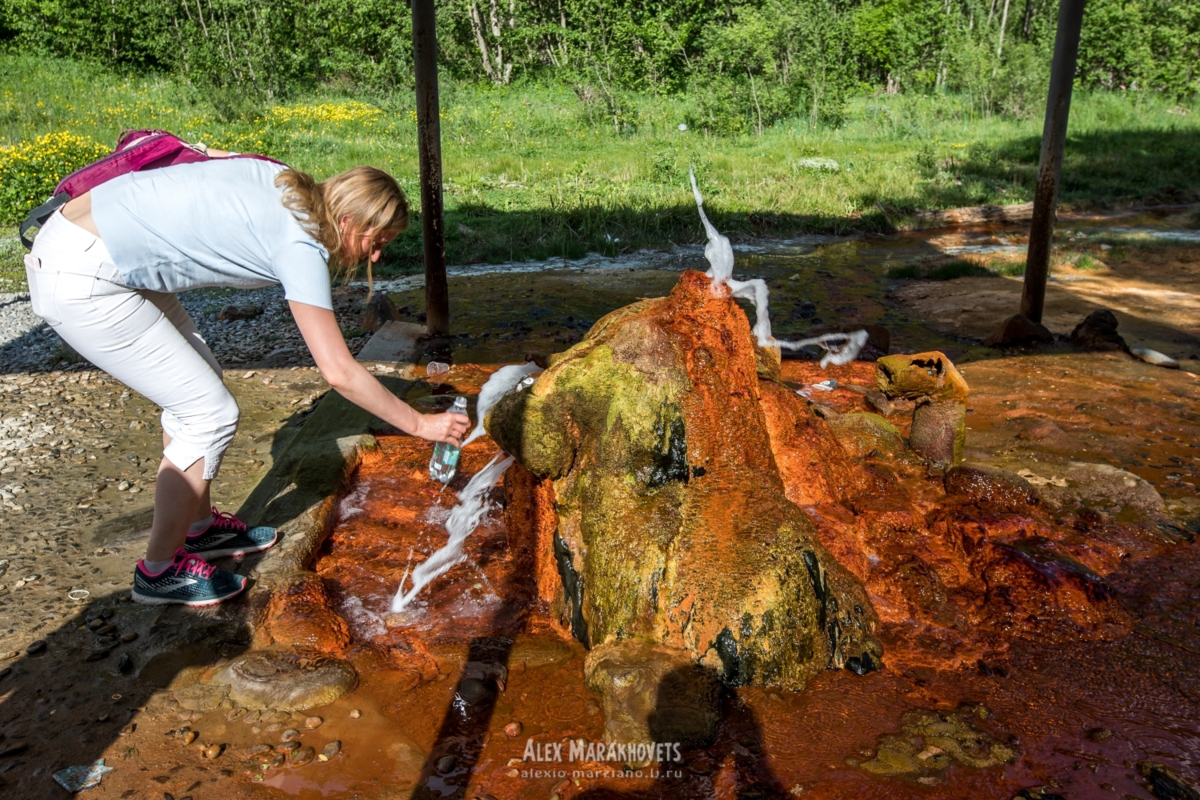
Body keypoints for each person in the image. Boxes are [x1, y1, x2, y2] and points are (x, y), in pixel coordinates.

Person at [24, 150, 469, 606]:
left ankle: (198, 530)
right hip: (83, 275)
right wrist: (420, 425)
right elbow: (339, 372)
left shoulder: (284, 177)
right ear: (351, 219)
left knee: (199, 387)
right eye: (378, 241)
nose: (376, 255)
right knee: (207, 412)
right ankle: (157, 571)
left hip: (87, 240)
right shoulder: (300, 246)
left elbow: (213, 158)